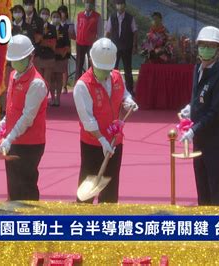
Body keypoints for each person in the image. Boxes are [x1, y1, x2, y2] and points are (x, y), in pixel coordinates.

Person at [73, 38, 138, 203]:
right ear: (92, 62)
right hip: (92, 143)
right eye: (101, 69)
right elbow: (87, 120)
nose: (105, 73)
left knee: (111, 187)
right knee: (87, 186)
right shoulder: (82, 86)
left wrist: (129, 101)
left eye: (108, 70)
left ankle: (108, 221)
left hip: (115, 141)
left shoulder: (116, 76)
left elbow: (124, 94)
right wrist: (102, 140)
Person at [179, 26, 219, 206]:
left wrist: (193, 129)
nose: (205, 49)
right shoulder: (198, 69)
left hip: (215, 141)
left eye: (210, 46)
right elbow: (198, 97)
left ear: (218, 50)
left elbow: (215, 113)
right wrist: (190, 108)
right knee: (201, 184)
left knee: (215, 185)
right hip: (200, 138)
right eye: (202, 45)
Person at [0, 35, 48, 201]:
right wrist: (4, 123)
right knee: (13, 185)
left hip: (30, 144)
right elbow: (12, 107)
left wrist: (9, 138)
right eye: (13, 60)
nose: (15, 64)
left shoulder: (36, 84)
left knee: (26, 186)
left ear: (30, 57)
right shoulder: (13, 75)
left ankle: (31, 221)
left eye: (19, 60)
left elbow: (27, 117)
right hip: (14, 140)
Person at [105, 0, 138, 96]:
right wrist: (105, 45)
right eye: (118, 4)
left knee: (128, 69)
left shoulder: (130, 18)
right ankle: (111, 88)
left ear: (124, 5)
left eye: (121, 4)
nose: (119, 6)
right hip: (114, 47)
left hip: (127, 47)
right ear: (116, 6)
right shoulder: (112, 17)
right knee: (113, 69)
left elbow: (135, 32)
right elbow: (107, 32)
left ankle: (130, 90)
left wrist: (135, 46)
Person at [34, 8, 57, 106]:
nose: (45, 15)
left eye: (47, 14)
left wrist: (42, 42)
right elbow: (35, 39)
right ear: (39, 14)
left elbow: (53, 43)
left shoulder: (52, 27)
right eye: (43, 13)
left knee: (47, 79)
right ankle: (38, 99)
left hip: (49, 56)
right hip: (38, 56)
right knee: (39, 79)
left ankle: (44, 100)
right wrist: (45, 43)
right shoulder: (35, 26)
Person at [75, 0, 101, 81]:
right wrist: (80, 37)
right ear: (84, 3)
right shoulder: (80, 15)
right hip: (80, 43)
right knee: (79, 64)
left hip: (91, 44)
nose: (88, 4)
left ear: (93, 4)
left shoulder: (97, 16)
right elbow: (76, 29)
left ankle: (90, 81)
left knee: (91, 64)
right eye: (87, 2)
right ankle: (78, 81)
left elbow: (100, 31)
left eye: (90, 3)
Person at [52, 10, 71, 106]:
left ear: (60, 18)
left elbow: (68, 44)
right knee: (51, 78)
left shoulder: (64, 29)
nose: (56, 18)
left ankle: (58, 98)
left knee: (59, 77)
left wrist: (64, 53)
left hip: (60, 57)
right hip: (50, 57)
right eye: (54, 16)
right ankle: (52, 98)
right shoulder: (48, 28)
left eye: (57, 16)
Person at [58, 5, 76, 94]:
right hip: (56, 46)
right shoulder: (55, 21)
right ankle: (56, 85)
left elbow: (73, 36)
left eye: (63, 12)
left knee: (64, 67)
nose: (62, 14)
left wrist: (67, 33)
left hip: (66, 46)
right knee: (56, 67)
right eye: (60, 12)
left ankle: (64, 86)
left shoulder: (70, 23)